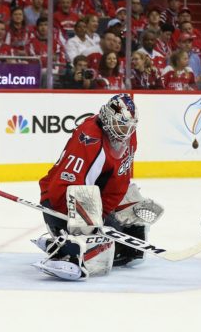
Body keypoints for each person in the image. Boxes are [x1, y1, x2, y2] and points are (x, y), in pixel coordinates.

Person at [34, 93, 164, 280]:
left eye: (129, 126)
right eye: (121, 124)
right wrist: (93, 225)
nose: (126, 131)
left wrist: (105, 217)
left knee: (131, 195)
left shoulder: (126, 137)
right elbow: (63, 188)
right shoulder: (89, 138)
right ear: (108, 118)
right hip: (59, 206)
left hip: (94, 200)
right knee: (87, 205)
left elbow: (119, 183)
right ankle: (70, 250)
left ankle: (129, 245)